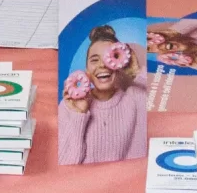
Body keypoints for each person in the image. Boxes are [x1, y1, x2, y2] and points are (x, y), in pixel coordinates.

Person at [56, 24, 148, 164]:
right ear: (87, 69)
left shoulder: (136, 98)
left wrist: (135, 71)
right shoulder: (69, 106)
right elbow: (66, 164)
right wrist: (79, 115)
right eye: (95, 60)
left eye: (111, 57)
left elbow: (162, 99)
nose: (102, 65)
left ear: (121, 63)